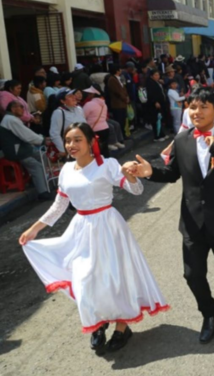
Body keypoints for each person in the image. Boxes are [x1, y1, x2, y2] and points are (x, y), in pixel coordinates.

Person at [19, 122, 167, 352]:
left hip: (109, 226)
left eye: (78, 139)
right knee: (85, 279)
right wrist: (34, 229)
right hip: (81, 229)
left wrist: (132, 176)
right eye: (68, 140)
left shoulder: (106, 165)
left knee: (116, 277)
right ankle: (98, 322)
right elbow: (59, 205)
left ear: (91, 142)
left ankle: (121, 326)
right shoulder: (67, 170)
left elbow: (136, 191)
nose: (71, 145)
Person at [128, 87, 214, 344]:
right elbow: (173, 173)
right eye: (193, 107)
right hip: (193, 220)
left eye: (203, 107)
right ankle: (209, 313)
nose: (197, 112)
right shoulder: (182, 139)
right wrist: (150, 172)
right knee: (192, 274)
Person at [0, 101, 52, 201]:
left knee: (42, 155)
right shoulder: (10, 119)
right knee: (36, 166)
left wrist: (41, 139)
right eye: (21, 107)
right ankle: (43, 193)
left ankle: (38, 180)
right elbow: (26, 135)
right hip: (16, 151)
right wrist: (42, 140)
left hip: (22, 148)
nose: (23, 110)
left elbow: (27, 134)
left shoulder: (12, 119)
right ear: (13, 109)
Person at [49, 89, 87, 159]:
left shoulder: (79, 109)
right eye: (69, 96)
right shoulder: (59, 113)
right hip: (72, 148)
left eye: (73, 95)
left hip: (84, 146)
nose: (73, 97)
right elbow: (54, 134)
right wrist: (63, 150)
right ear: (62, 101)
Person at [82, 87, 112, 156]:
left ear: (93, 94)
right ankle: (107, 164)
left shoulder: (89, 104)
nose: (88, 95)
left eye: (89, 94)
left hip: (94, 130)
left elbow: (82, 116)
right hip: (105, 127)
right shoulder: (103, 104)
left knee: (96, 151)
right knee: (105, 149)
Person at [145, 69, 169, 142]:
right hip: (154, 105)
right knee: (156, 120)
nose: (157, 76)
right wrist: (155, 102)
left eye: (158, 75)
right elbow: (151, 94)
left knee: (160, 119)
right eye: (156, 75)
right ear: (152, 76)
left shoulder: (157, 82)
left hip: (161, 103)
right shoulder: (150, 83)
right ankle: (157, 136)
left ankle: (162, 134)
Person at [106, 65, 129, 133]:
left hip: (123, 103)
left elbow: (123, 88)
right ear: (117, 71)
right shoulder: (112, 79)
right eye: (120, 69)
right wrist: (124, 98)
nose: (121, 71)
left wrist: (127, 96)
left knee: (124, 120)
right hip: (117, 103)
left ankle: (123, 133)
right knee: (119, 120)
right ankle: (120, 135)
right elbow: (117, 91)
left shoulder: (119, 78)